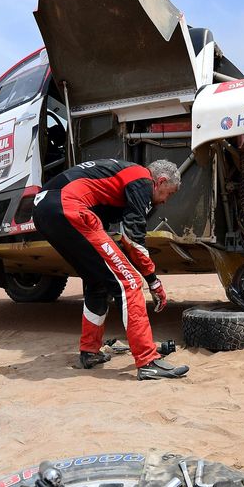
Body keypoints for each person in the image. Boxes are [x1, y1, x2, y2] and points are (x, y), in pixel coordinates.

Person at [32, 158, 189, 380]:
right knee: (129, 282)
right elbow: (132, 237)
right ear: (160, 181)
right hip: (68, 205)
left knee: (97, 281)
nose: (164, 201)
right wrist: (153, 280)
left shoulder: (119, 177)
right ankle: (148, 361)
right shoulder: (142, 179)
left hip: (44, 210)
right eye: (168, 193)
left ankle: (90, 351)